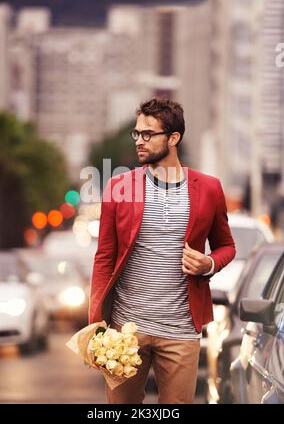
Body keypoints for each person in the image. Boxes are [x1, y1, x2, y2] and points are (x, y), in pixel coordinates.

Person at [89, 97, 236, 404]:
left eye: (148, 134)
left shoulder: (209, 188)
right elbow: (104, 258)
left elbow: (227, 246)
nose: (139, 142)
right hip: (125, 330)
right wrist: (96, 320)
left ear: (173, 138)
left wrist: (208, 263)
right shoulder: (119, 187)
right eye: (136, 133)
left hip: (181, 331)